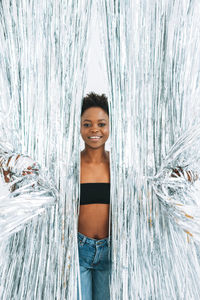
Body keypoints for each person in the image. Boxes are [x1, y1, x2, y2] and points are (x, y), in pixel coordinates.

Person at [77, 92, 111, 300]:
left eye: (101, 123)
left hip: (111, 252)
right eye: (87, 124)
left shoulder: (119, 167)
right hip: (79, 252)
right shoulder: (71, 166)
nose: (95, 130)